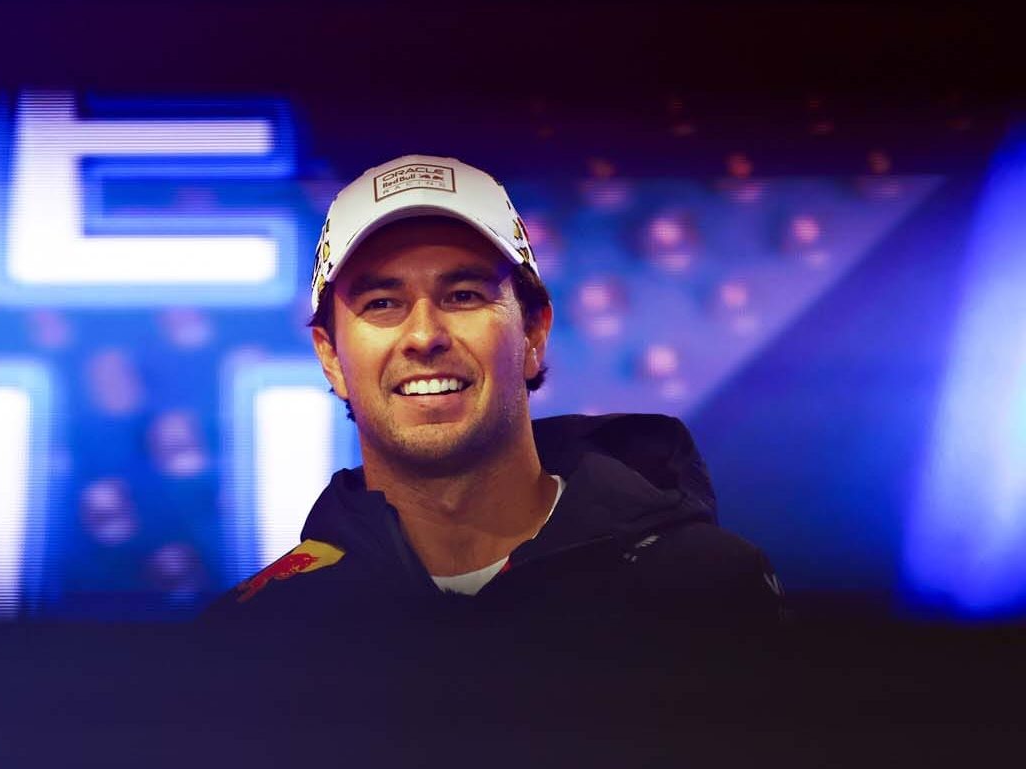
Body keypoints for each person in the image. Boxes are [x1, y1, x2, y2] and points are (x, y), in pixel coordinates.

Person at [207, 155, 781, 621]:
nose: (425, 335)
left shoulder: (708, 590)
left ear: (534, 332)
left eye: (463, 296)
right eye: (383, 303)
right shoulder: (254, 636)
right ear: (330, 358)